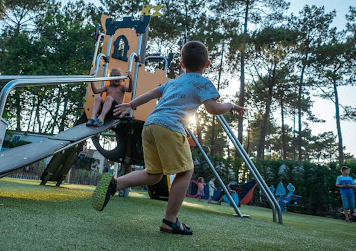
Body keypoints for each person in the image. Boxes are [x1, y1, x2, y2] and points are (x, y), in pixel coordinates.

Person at [91, 41, 246, 235]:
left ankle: (115, 183)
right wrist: (231, 105)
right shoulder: (204, 83)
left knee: (153, 174)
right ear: (207, 64)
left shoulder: (174, 81)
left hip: (150, 125)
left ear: (182, 64)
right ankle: (169, 221)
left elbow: (151, 94)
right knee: (185, 171)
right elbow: (213, 109)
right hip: (170, 128)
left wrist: (131, 105)